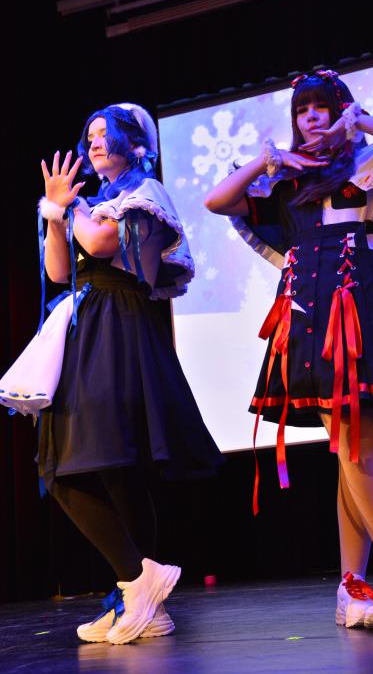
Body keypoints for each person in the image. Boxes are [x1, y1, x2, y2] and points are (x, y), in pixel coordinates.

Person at [204, 71, 373, 629]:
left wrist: (356, 121)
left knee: (356, 449)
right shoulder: (287, 181)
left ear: (341, 109)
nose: (311, 116)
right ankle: (352, 585)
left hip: (362, 305)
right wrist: (271, 160)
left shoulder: (372, 162)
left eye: (322, 106)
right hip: (308, 314)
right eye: (302, 110)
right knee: (347, 451)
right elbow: (217, 200)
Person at [1, 103, 223, 644]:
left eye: (107, 133)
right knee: (108, 471)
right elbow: (58, 270)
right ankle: (140, 601)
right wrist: (56, 214)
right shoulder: (94, 202)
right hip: (91, 324)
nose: (95, 141)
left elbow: (102, 244)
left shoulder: (145, 192)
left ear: (136, 143)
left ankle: (136, 583)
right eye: (91, 135)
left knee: (79, 464)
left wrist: (68, 205)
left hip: (120, 324)